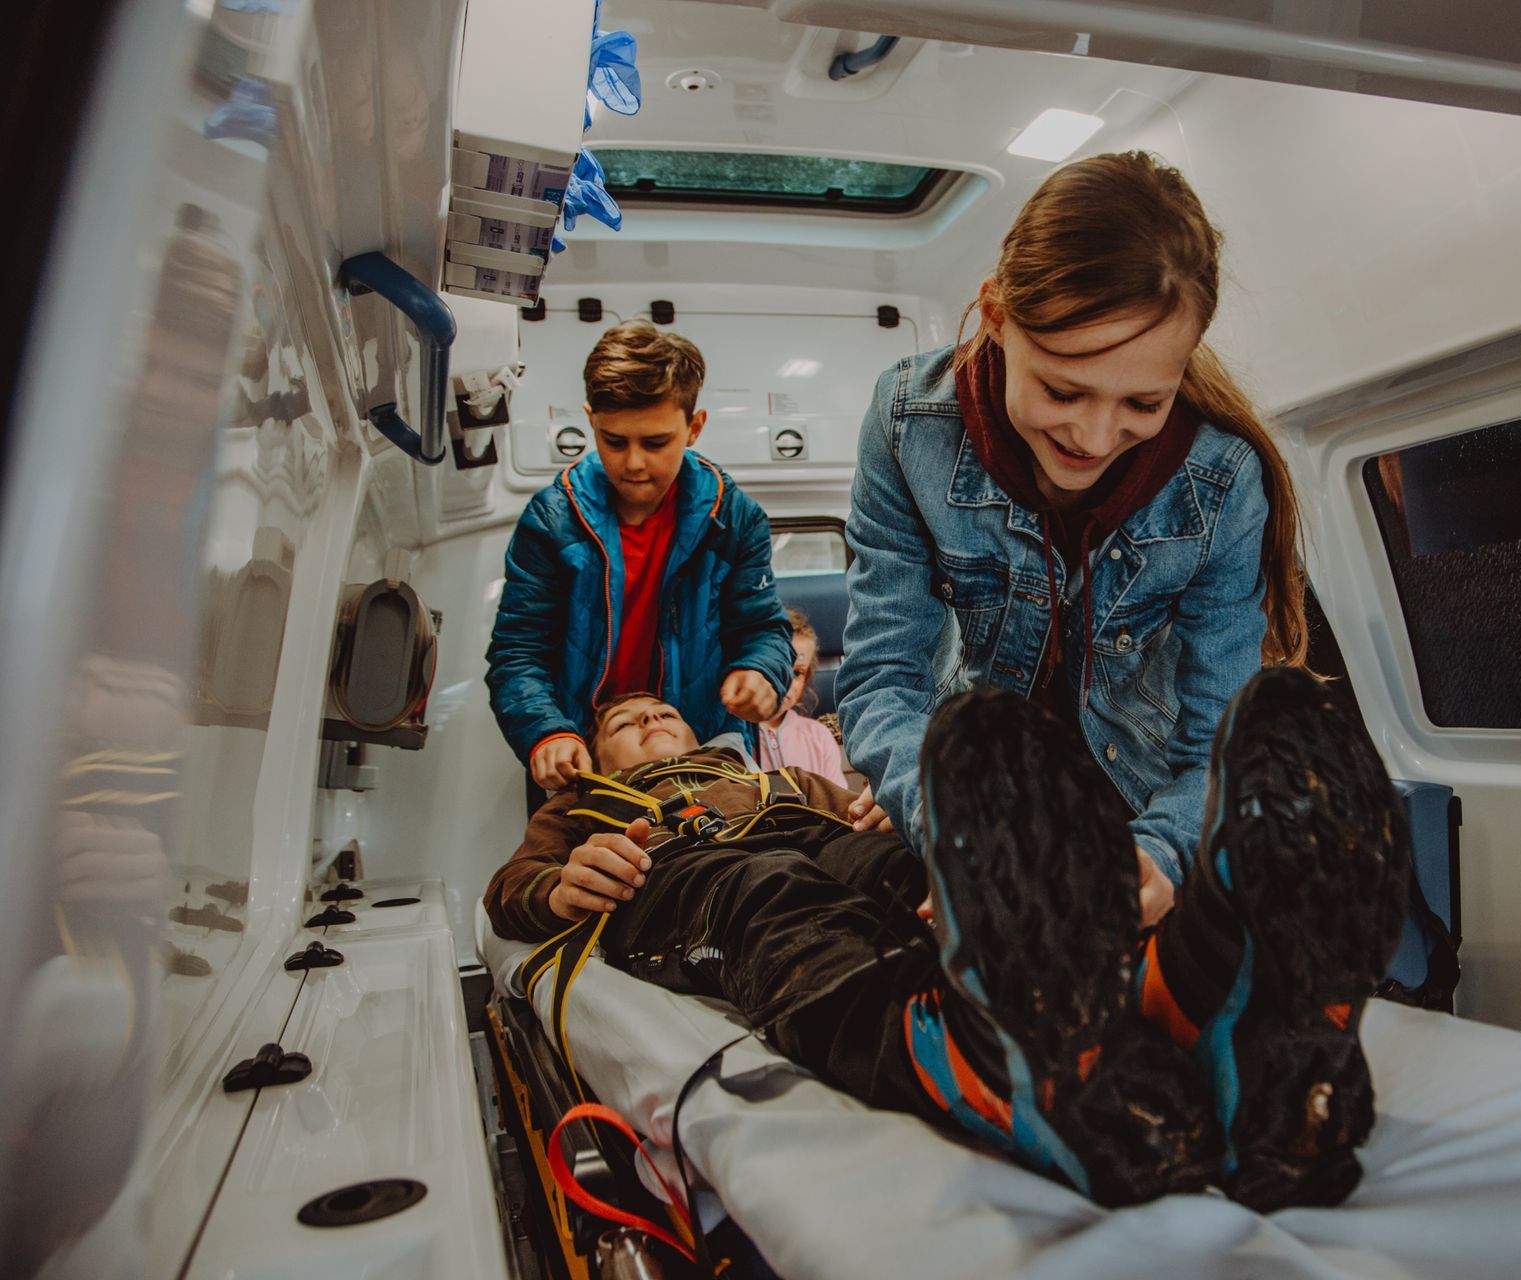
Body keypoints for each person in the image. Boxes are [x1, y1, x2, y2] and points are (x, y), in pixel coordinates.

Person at [484, 670, 1409, 1211]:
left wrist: (888, 822)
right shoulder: (580, 810)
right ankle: (968, 1057)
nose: (651, 723)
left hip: (818, 839)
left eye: (663, 713)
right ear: (597, 753)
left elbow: (857, 816)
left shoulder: (775, 779)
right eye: (627, 723)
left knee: (900, 874)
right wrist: (559, 886)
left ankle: (1179, 1001)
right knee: (775, 898)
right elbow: (508, 895)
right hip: (683, 878)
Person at [835, 151, 1310, 933]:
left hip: (1147, 806)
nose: (1093, 437)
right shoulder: (906, 424)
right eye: (1062, 390)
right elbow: (884, 679)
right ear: (995, 316)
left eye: (1143, 404)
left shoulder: (1224, 482)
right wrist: (945, 814)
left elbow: (1221, 743)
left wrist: (1159, 857)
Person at [485, 321, 791, 803]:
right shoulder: (550, 522)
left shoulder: (734, 518)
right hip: (584, 764)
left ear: (694, 427)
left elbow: (763, 630)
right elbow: (518, 654)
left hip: (705, 757)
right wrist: (546, 732)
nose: (633, 463)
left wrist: (760, 671)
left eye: (655, 443)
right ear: (591, 421)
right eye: (614, 441)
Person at [754, 608, 848, 787]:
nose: (785, 682)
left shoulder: (819, 737)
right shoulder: (737, 738)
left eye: (797, 673)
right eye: (775, 669)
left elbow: (837, 798)